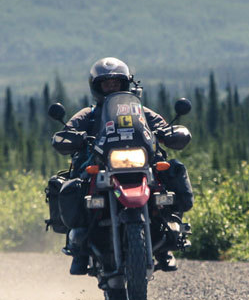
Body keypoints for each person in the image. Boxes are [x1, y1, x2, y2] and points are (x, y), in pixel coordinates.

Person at [52, 58, 190, 275]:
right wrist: (70, 136)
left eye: (116, 83)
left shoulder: (142, 112)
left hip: (140, 161)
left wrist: (169, 132)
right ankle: (79, 248)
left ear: (125, 85)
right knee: (74, 186)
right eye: (106, 84)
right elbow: (67, 131)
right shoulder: (89, 114)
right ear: (97, 87)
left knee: (170, 173)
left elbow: (162, 125)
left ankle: (168, 237)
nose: (111, 88)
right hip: (101, 163)